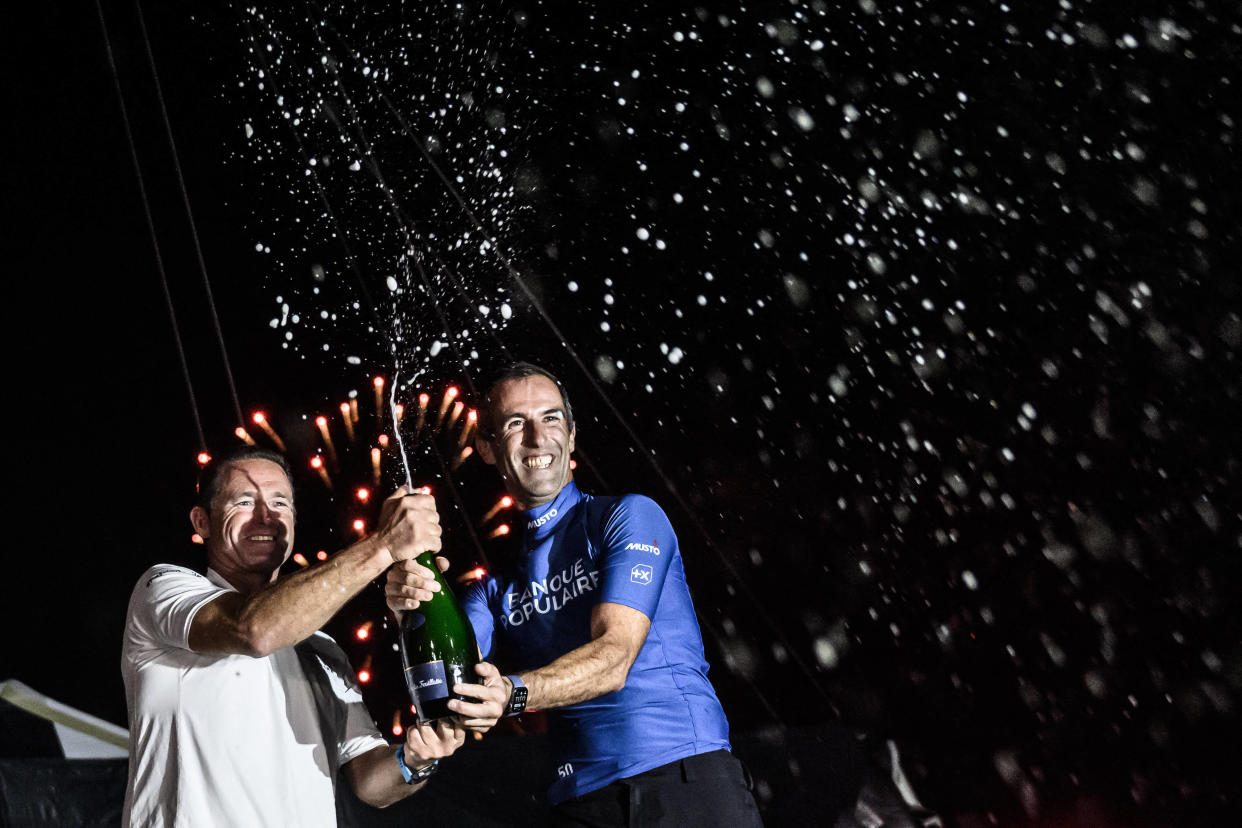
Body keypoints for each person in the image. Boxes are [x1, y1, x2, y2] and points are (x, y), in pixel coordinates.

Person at [386, 363, 763, 826]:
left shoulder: (628, 517)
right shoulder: (492, 590)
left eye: (551, 418)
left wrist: (513, 693)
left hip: (683, 780)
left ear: (571, 433)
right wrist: (410, 595)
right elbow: (447, 682)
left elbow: (615, 657)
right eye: (514, 423)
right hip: (580, 803)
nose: (536, 436)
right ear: (486, 447)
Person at [121, 446, 503, 826]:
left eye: (280, 503)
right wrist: (384, 544)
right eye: (243, 501)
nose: (266, 516)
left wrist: (418, 759)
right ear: (201, 521)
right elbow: (254, 630)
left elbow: (371, 783)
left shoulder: (322, 648)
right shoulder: (164, 589)